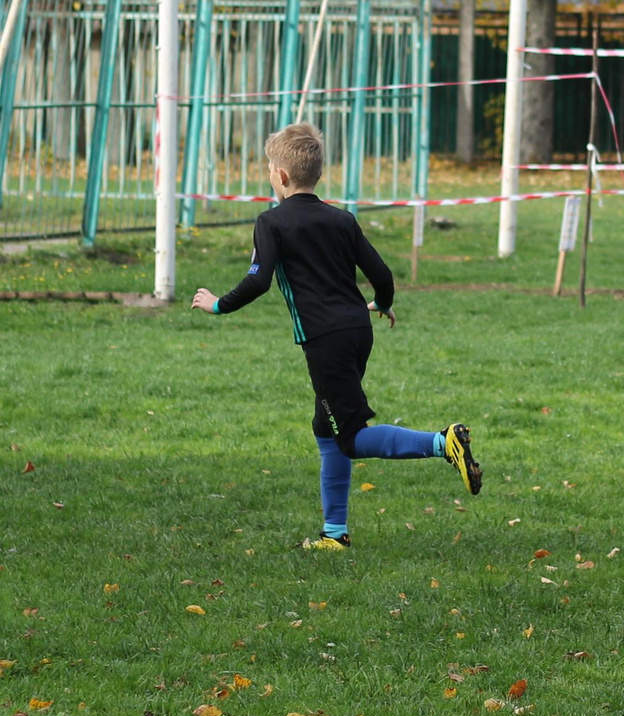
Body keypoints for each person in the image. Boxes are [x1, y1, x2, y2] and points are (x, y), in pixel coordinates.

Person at [190, 123, 480, 549]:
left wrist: (218, 304)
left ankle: (443, 443)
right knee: (326, 429)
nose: (271, 175)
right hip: (357, 330)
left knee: (349, 436)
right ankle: (334, 534)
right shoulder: (342, 219)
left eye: (271, 169)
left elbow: (258, 281)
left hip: (325, 341)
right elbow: (381, 274)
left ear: (282, 177)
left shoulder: (271, 222)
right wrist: (380, 302)